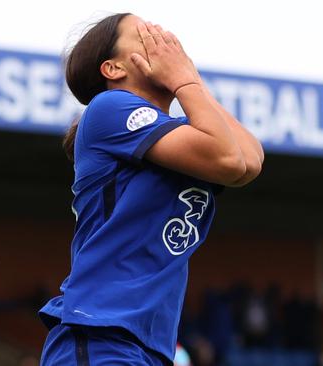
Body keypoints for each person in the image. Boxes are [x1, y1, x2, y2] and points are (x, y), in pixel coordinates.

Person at [39, 12, 264, 365]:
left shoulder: (178, 131)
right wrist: (185, 83)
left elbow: (249, 160)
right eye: (145, 36)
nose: (163, 40)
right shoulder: (109, 107)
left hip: (146, 344)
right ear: (113, 68)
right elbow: (230, 161)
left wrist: (191, 81)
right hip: (102, 333)